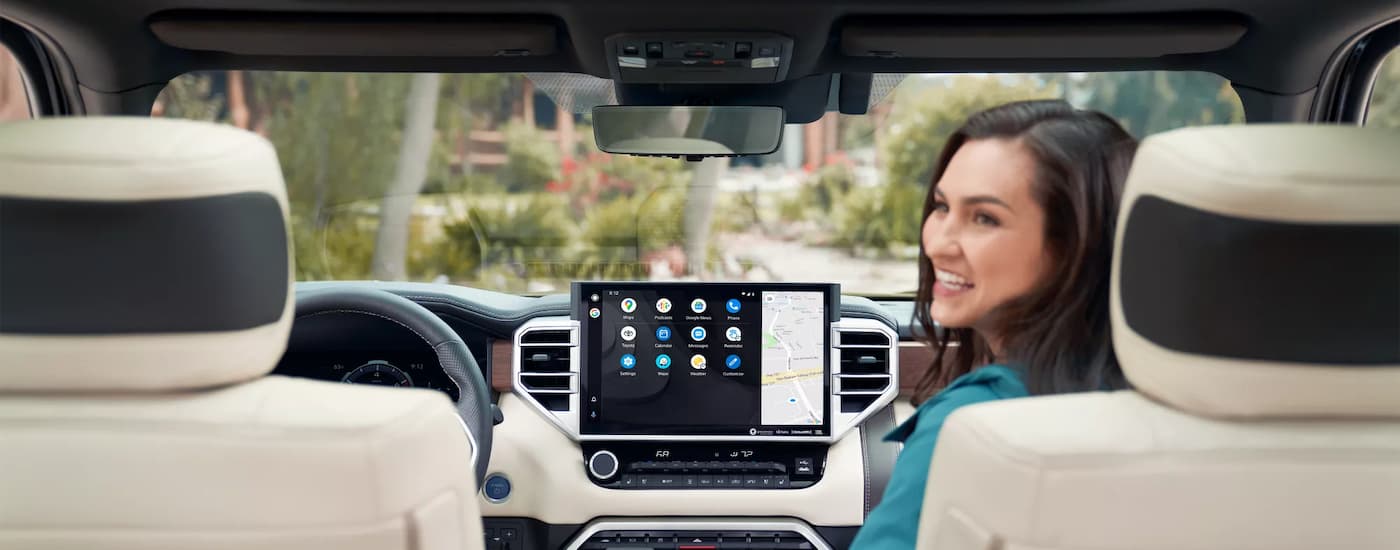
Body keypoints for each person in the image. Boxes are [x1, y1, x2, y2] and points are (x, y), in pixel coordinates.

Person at [851, 100, 1139, 550]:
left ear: (1074, 246)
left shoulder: (972, 427)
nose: (938, 244)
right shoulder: (1160, 400)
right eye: (942, 207)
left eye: (984, 218)